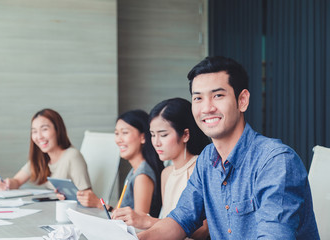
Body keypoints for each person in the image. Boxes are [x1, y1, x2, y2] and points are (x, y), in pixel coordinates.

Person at [138, 56, 319, 239]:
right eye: (198, 98)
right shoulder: (207, 159)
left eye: (218, 95)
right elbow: (181, 219)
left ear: (242, 100)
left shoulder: (276, 161)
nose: (207, 108)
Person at [112, 98, 210, 239]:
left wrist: (147, 221)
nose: (156, 142)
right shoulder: (166, 173)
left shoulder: (199, 169)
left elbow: (202, 231)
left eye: (163, 135)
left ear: (185, 135)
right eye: (152, 135)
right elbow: (165, 223)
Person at [0, 108, 101, 208]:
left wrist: (68, 197)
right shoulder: (41, 157)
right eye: (34, 131)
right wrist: (7, 183)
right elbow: (17, 181)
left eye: (44, 129)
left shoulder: (72, 156)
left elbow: (88, 197)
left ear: (58, 130)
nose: (39, 136)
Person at [114, 110, 164, 217]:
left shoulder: (142, 175)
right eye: (117, 133)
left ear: (143, 137)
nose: (118, 139)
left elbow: (138, 222)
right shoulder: (135, 170)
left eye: (125, 133)